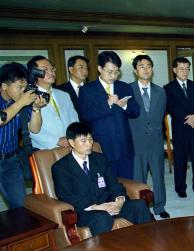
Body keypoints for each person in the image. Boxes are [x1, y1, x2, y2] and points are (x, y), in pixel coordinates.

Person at [52, 122, 151, 236]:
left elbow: (114, 183)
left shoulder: (100, 159)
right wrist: (96, 207)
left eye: (90, 139)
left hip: (110, 204)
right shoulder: (61, 167)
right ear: (71, 142)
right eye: (83, 141)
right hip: (86, 211)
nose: (89, 144)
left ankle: (149, 244)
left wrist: (119, 200)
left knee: (139, 205)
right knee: (102, 218)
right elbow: (66, 195)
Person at [79, 51, 139, 179]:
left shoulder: (124, 87)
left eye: (116, 72)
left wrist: (125, 106)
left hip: (125, 146)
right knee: (106, 184)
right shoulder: (87, 90)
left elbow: (135, 111)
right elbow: (86, 115)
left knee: (127, 183)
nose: (113, 76)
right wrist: (107, 104)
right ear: (100, 68)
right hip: (102, 146)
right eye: (110, 71)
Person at [0, 62, 45, 209]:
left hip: (11, 161)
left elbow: (35, 128)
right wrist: (20, 103)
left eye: (24, 87)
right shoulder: (20, 102)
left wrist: (36, 109)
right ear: (4, 86)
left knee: (20, 204)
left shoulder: (22, 102)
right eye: (19, 87)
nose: (23, 91)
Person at [129, 55, 169, 219]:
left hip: (155, 141)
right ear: (135, 70)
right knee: (138, 177)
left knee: (158, 175)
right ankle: (141, 209)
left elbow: (160, 115)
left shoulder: (161, 91)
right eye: (141, 66)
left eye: (148, 66)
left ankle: (160, 207)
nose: (146, 69)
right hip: (136, 140)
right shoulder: (128, 90)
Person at [163, 57, 194, 198]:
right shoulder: (168, 88)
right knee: (180, 160)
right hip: (180, 129)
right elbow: (171, 107)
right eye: (181, 69)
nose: (185, 71)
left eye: (187, 68)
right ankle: (180, 188)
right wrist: (188, 118)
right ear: (174, 70)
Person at [27, 56, 79, 150]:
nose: (51, 72)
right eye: (45, 70)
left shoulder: (64, 95)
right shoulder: (28, 97)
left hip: (70, 146)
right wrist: (56, 141)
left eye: (52, 69)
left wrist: (73, 138)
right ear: (35, 74)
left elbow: (74, 119)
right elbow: (29, 130)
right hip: (45, 150)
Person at [55, 55, 89, 119]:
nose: (85, 71)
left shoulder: (92, 89)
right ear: (71, 69)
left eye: (86, 68)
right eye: (81, 67)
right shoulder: (60, 90)